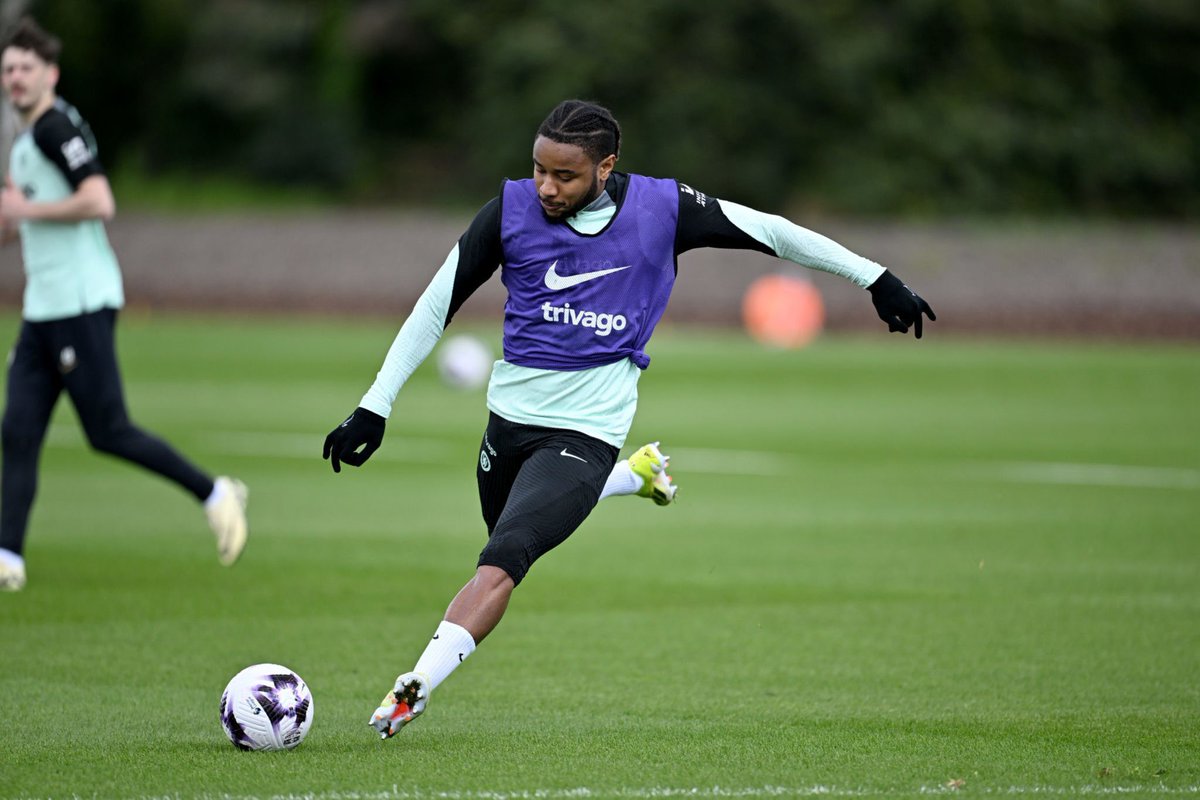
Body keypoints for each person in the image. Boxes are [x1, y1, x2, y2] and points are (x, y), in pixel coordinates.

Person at [322, 99, 934, 739]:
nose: (546, 187)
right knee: (506, 526)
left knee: (503, 557)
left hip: (588, 429)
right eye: (538, 170)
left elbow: (774, 231)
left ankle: (414, 688)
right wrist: (376, 403)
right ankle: (631, 477)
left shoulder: (663, 210)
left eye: (564, 175)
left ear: (605, 166)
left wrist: (875, 277)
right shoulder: (509, 211)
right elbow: (435, 304)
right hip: (507, 424)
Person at [0, 18, 249, 592]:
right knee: (17, 429)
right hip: (44, 307)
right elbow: (29, 217)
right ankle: (9, 558)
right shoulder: (27, 137)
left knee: (108, 429)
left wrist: (21, 212)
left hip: (80, 303)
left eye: (25, 68)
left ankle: (214, 492)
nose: (15, 78)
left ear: (50, 74)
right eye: (8, 69)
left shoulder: (52, 127)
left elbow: (98, 199)